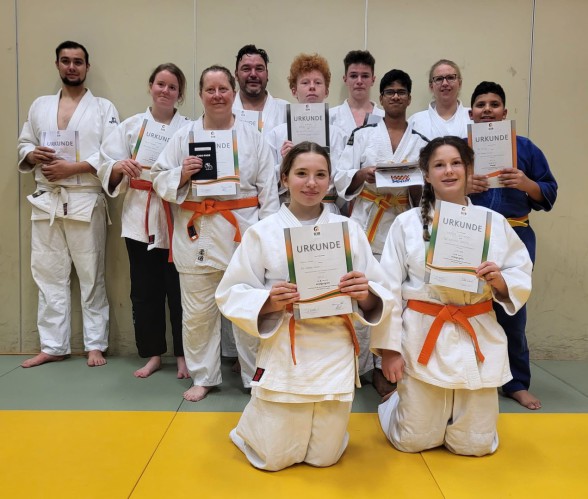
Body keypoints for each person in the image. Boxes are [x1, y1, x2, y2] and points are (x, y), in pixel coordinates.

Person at [216, 142, 391, 471]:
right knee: (273, 459)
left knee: (324, 459)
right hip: (286, 346)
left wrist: (364, 293)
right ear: (284, 179)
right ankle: (250, 428)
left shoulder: (349, 231)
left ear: (329, 181)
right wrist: (269, 300)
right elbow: (231, 292)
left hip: (334, 346)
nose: (311, 183)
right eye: (301, 174)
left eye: (320, 175)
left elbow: (380, 291)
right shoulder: (263, 232)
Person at [372, 136, 533, 456]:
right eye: (439, 165)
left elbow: (520, 272)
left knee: (475, 446)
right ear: (426, 174)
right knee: (412, 441)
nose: (448, 171)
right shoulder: (406, 224)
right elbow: (387, 288)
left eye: (456, 163)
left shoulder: (493, 222)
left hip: (477, 333)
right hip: (422, 334)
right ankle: (395, 403)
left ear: (469, 169)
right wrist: (389, 350)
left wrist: (500, 281)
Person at [151, 65, 279, 402]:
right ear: (200, 94)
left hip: (243, 235)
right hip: (198, 234)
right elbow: (158, 178)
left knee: (248, 310)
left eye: (224, 89)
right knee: (197, 314)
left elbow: (268, 192)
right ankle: (203, 376)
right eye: (210, 89)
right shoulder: (184, 137)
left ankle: (255, 376)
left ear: (234, 93)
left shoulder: (253, 137)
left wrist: (268, 239)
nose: (217, 95)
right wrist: (182, 174)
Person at [17, 40, 119, 368]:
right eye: (65, 61)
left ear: (87, 67)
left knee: (91, 276)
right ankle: (53, 345)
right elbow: (24, 143)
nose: (71, 67)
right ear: (57, 65)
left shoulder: (103, 108)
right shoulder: (40, 106)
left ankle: (95, 344)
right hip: (46, 199)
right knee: (48, 276)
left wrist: (72, 168)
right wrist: (32, 154)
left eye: (78, 61)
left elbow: (112, 153)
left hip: (85, 198)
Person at [334, 69, 428, 395]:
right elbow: (341, 176)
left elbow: (425, 193)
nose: (396, 97)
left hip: (402, 225)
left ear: (409, 98)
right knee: (364, 294)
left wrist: (414, 185)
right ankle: (357, 365)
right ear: (382, 97)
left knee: (397, 297)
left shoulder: (421, 142)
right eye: (390, 92)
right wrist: (362, 174)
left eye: (402, 92)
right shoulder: (362, 135)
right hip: (367, 221)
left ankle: (384, 366)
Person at [468, 81, 558, 410]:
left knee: (513, 307)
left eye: (494, 104)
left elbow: (549, 191)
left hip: (515, 235)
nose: (487, 110)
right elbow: (437, 187)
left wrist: (526, 183)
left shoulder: (526, 148)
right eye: (481, 104)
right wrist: (464, 184)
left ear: (504, 112)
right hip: (469, 234)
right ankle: (470, 373)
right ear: (471, 113)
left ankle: (516, 382)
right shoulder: (459, 150)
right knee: (467, 304)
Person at [99, 63, 191, 379]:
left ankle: (183, 355)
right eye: (160, 84)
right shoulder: (131, 126)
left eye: (172, 87)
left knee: (180, 291)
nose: (165, 91)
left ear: (180, 94)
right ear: (150, 86)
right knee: (144, 290)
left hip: (177, 217)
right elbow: (106, 163)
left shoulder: (188, 128)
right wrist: (118, 167)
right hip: (139, 216)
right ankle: (152, 354)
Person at [266, 53, 348, 206]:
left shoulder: (338, 135)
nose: (312, 87)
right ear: (294, 91)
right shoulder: (277, 134)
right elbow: (266, 182)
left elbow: (344, 181)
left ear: (326, 91)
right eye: (305, 82)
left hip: (328, 207)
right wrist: (285, 162)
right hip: (289, 207)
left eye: (318, 82)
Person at [233, 44, 288, 136]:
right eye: (246, 69)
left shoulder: (285, 110)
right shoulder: (225, 110)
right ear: (236, 75)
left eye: (259, 69)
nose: (253, 74)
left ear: (267, 74)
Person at [408, 59, 471, 139]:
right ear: (431, 86)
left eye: (450, 77)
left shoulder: (473, 117)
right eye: (439, 79)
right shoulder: (416, 122)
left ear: (460, 83)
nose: (445, 83)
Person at [330, 50, 384, 136]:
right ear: (345, 79)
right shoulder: (331, 116)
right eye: (353, 76)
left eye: (365, 76)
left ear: (373, 80)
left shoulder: (384, 118)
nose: (359, 81)